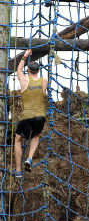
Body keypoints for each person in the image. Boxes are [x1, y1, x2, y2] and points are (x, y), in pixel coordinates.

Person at [13, 50, 47, 178]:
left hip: (26, 116)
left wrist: (25, 55)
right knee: (36, 136)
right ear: (38, 71)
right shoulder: (44, 81)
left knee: (18, 140)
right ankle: (29, 158)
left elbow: (18, 70)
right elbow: (43, 93)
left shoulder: (24, 80)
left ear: (28, 70)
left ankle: (18, 171)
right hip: (40, 116)